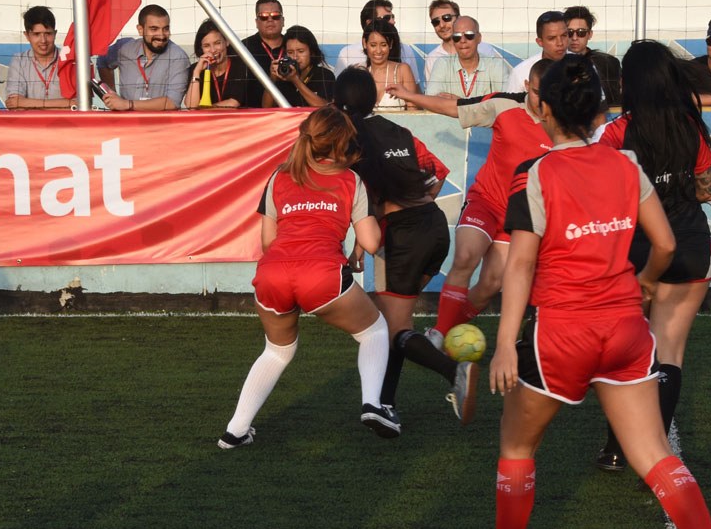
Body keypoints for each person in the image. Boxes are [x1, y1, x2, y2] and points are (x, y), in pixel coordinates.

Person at [457, 54, 711, 529]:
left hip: (561, 334)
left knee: (517, 448)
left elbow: (519, 267)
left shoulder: (536, 174)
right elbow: (662, 246)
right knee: (657, 458)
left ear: (540, 107)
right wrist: (639, 284)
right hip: (625, 332)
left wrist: (506, 343)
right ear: (599, 111)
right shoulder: (625, 167)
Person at [218, 106, 394, 448]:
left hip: (271, 275)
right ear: (342, 143)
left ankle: (235, 431)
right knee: (374, 331)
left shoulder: (279, 177)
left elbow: (268, 242)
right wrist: (357, 243)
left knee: (277, 351)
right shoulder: (350, 180)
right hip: (322, 276)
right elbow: (372, 242)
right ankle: (373, 404)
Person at [592, 41, 711, 473]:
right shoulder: (690, 125)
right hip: (689, 244)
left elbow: (600, 195)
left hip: (639, 251)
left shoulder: (616, 133)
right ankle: (653, 455)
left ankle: (615, 447)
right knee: (669, 353)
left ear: (629, 83)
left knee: (626, 352)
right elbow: (706, 190)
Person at [333, 68, 477, 430]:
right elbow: (438, 172)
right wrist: (418, 204)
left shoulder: (348, 140)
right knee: (394, 323)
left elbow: (356, 196)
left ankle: (455, 373)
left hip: (402, 236)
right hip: (433, 226)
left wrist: (360, 243)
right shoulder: (399, 131)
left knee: (394, 329)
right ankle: (386, 404)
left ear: (337, 102)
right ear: (375, 98)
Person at [388, 60, 554, 350]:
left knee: (490, 285)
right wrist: (410, 95)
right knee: (465, 256)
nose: (545, 101)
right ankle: (438, 335)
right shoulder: (504, 106)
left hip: (517, 218)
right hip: (485, 202)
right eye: (539, 92)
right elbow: (457, 108)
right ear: (527, 87)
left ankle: (448, 329)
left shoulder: (561, 125)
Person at [95, 5, 191, 111]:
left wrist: (127, 104)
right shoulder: (124, 48)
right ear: (140, 30)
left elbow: (172, 102)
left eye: (166, 29)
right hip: (126, 124)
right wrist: (111, 93)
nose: (161, 35)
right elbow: (102, 61)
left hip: (161, 125)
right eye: (154, 29)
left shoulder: (178, 57)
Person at [5, 6, 74, 110]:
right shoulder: (19, 60)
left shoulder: (69, 60)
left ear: (55, 34)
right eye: (36, 34)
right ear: (27, 35)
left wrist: (27, 103)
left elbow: (77, 104)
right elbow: (14, 105)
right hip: (30, 126)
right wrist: (63, 104)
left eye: (48, 34)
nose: (43, 40)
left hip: (65, 125)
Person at [425, 16, 511, 98]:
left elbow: (504, 103)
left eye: (469, 35)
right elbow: (433, 101)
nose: (463, 40)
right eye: (457, 36)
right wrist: (482, 104)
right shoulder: (442, 64)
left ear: (479, 38)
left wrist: (459, 102)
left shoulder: (496, 65)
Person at [421, 0, 500, 87]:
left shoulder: (485, 50)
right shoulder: (433, 58)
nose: (442, 25)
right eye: (436, 22)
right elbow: (433, 97)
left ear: (459, 18)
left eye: (447, 18)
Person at [185, 19, 263, 109]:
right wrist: (197, 72)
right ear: (201, 48)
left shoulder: (240, 65)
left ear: (227, 42)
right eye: (206, 46)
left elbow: (233, 103)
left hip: (237, 121)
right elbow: (191, 106)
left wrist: (205, 109)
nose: (213, 50)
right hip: (207, 122)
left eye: (217, 43)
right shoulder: (196, 68)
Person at [333, 0, 417, 73]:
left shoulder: (406, 50)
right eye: (387, 18)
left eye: (393, 17)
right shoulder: (348, 53)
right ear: (369, 22)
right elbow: (339, 88)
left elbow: (415, 88)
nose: (393, 22)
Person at [260, 25, 335, 108]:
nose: (295, 57)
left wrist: (296, 81)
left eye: (301, 51)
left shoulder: (324, 75)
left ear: (312, 52)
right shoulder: (283, 75)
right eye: (290, 52)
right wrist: (272, 79)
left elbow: (324, 108)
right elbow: (266, 108)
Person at [563, 5, 622, 107]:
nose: (575, 37)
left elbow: (616, 101)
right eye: (570, 32)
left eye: (581, 32)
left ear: (590, 34)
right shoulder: (552, 62)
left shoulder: (609, 63)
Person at [362, 18, 418, 110]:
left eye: (383, 45)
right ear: (365, 43)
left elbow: (413, 111)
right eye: (373, 45)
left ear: (390, 44)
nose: (378, 51)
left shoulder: (402, 70)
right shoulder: (360, 73)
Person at [506, 10, 568, 93]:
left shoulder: (582, 65)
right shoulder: (521, 73)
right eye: (552, 38)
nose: (560, 43)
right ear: (540, 42)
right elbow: (512, 105)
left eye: (564, 35)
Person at [241, 0, 287, 74]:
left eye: (275, 16)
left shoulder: (293, 46)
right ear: (256, 22)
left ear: (282, 20)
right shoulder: (244, 47)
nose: (270, 20)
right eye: (264, 16)